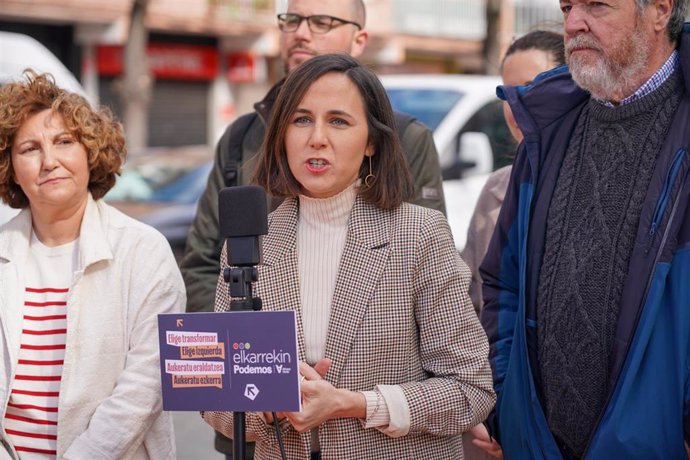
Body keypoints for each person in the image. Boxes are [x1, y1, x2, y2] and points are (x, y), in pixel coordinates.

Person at [201, 53, 495, 459]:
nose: (316, 138)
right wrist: (267, 403)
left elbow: (470, 389)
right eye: (301, 120)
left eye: (338, 121)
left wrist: (352, 403)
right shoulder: (250, 245)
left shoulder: (418, 234)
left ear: (372, 141)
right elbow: (216, 407)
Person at [472, 0, 690, 457]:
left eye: (597, 5)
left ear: (660, 11)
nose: (573, 23)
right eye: (568, 6)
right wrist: (504, 402)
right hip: (536, 443)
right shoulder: (548, 130)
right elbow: (503, 282)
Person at [180, 0, 446, 314]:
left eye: (322, 22)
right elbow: (203, 262)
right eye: (292, 20)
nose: (301, 33)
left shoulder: (406, 138)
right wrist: (251, 345)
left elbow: (423, 272)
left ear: (359, 39)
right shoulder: (241, 136)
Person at [0, 71, 185, 459]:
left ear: (90, 150)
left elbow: (142, 390)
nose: (49, 161)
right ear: (10, 167)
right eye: (30, 148)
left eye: (64, 142)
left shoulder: (142, 251)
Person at [461, 30, 565, 312]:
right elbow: (471, 301)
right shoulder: (496, 187)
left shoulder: (593, 184)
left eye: (532, 87)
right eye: (507, 92)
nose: (516, 104)